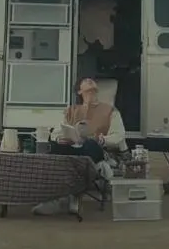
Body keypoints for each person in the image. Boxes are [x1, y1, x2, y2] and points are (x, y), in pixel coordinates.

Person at [32, 77, 127, 216]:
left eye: (92, 83)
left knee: (89, 144)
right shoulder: (71, 111)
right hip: (73, 150)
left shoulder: (110, 111)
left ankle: (70, 197)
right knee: (55, 146)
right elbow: (55, 133)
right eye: (86, 82)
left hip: (94, 150)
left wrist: (103, 140)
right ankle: (60, 197)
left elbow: (119, 136)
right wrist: (60, 138)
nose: (90, 81)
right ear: (79, 91)